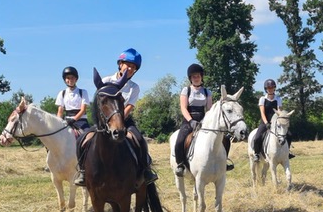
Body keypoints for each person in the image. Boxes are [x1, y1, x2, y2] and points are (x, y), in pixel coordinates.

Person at [74, 48, 157, 186]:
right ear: (120, 64)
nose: (130, 68)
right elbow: (100, 103)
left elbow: (129, 106)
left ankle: (145, 170)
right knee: (82, 140)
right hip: (104, 121)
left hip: (124, 120)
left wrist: (118, 120)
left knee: (139, 139)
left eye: (133, 67)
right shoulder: (106, 80)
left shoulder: (134, 87)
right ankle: (83, 171)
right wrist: (108, 121)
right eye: (128, 65)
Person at [174, 63, 233, 176]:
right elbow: (183, 108)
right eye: (193, 76)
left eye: (198, 76)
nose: (196, 78)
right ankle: (180, 164)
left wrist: (208, 122)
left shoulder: (207, 92)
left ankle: (224, 162)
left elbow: (209, 109)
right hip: (189, 120)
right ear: (190, 78)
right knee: (180, 141)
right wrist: (191, 121)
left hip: (204, 120)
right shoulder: (186, 91)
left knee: (225, 139)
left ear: (201, 77)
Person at [252, 79, 294, 161]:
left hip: (276, 123)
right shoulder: (262, 99)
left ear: (274, 88)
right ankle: (256, 154)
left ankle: (287, 152)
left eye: (272, 87)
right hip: (265, 122)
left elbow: (279, 112)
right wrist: (267, 123)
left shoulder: (278, 99)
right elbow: (262, 113)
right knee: (257, 137)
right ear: (266, 89)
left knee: (289, 135)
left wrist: (278, 122)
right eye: (268, 88)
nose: (270, 89)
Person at [56, 66, 91, 131]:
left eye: (72, 77)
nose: (70, 80)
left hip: (81, 121)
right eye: (68, 78)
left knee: (89, 136)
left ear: (76, 79)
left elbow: (83, 110)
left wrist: (73, 120)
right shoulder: (62, 93)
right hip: (66, 122)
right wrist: (58, 123)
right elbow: (60, 112)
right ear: (65, 80)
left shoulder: (83, 92)